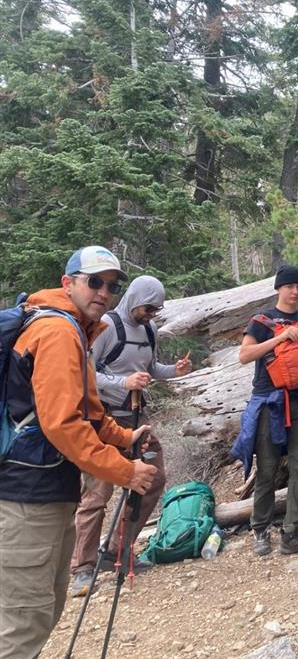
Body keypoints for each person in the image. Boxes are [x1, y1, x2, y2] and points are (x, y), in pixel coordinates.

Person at [0, 246, 157, 659]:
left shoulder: (73, 329)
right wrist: (125, 471)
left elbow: (88, 411)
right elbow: (62, 425)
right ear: (68, 283)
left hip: (44, 494)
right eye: (94, 282)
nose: (104, 292)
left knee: (42, 612)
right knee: (24, 624)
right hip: (25, 497)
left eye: (112, 286)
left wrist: (124, 438)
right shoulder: (57, 332)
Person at [69, 275, 192, 597]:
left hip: (137, 416)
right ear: (135, 299)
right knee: (97, 493)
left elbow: (151, 368)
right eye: (148, 308)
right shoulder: (107, 326)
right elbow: (86, 372)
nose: (151, 314)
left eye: (156, 310)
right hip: (104, 417)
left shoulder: (149, 330)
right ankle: (83, 567)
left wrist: (174, 371)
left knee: (152, 479)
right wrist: (122, 383)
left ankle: (116, 551)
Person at [234, 265, 298, 556]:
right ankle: (260, 530)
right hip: (269, 402)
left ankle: (293, 533)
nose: (295, 291)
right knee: (267, 468)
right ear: (278, 288)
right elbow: (244, 355)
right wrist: (281, 337)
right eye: (290, 286)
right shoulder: (261, 320)